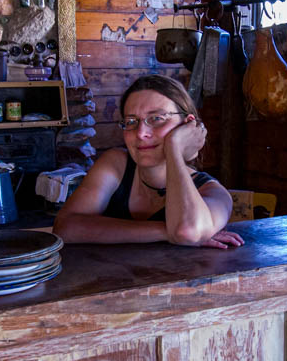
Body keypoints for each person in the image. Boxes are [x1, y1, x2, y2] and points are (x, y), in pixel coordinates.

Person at [53, 75, 244, 249]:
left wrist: (174, 147)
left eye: (157, 119)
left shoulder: (212, 191)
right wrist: (165, 231)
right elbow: (66, 228)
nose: (141, 133)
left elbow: (187, 232)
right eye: (131, 122)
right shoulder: (116, 164)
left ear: (188, 125)